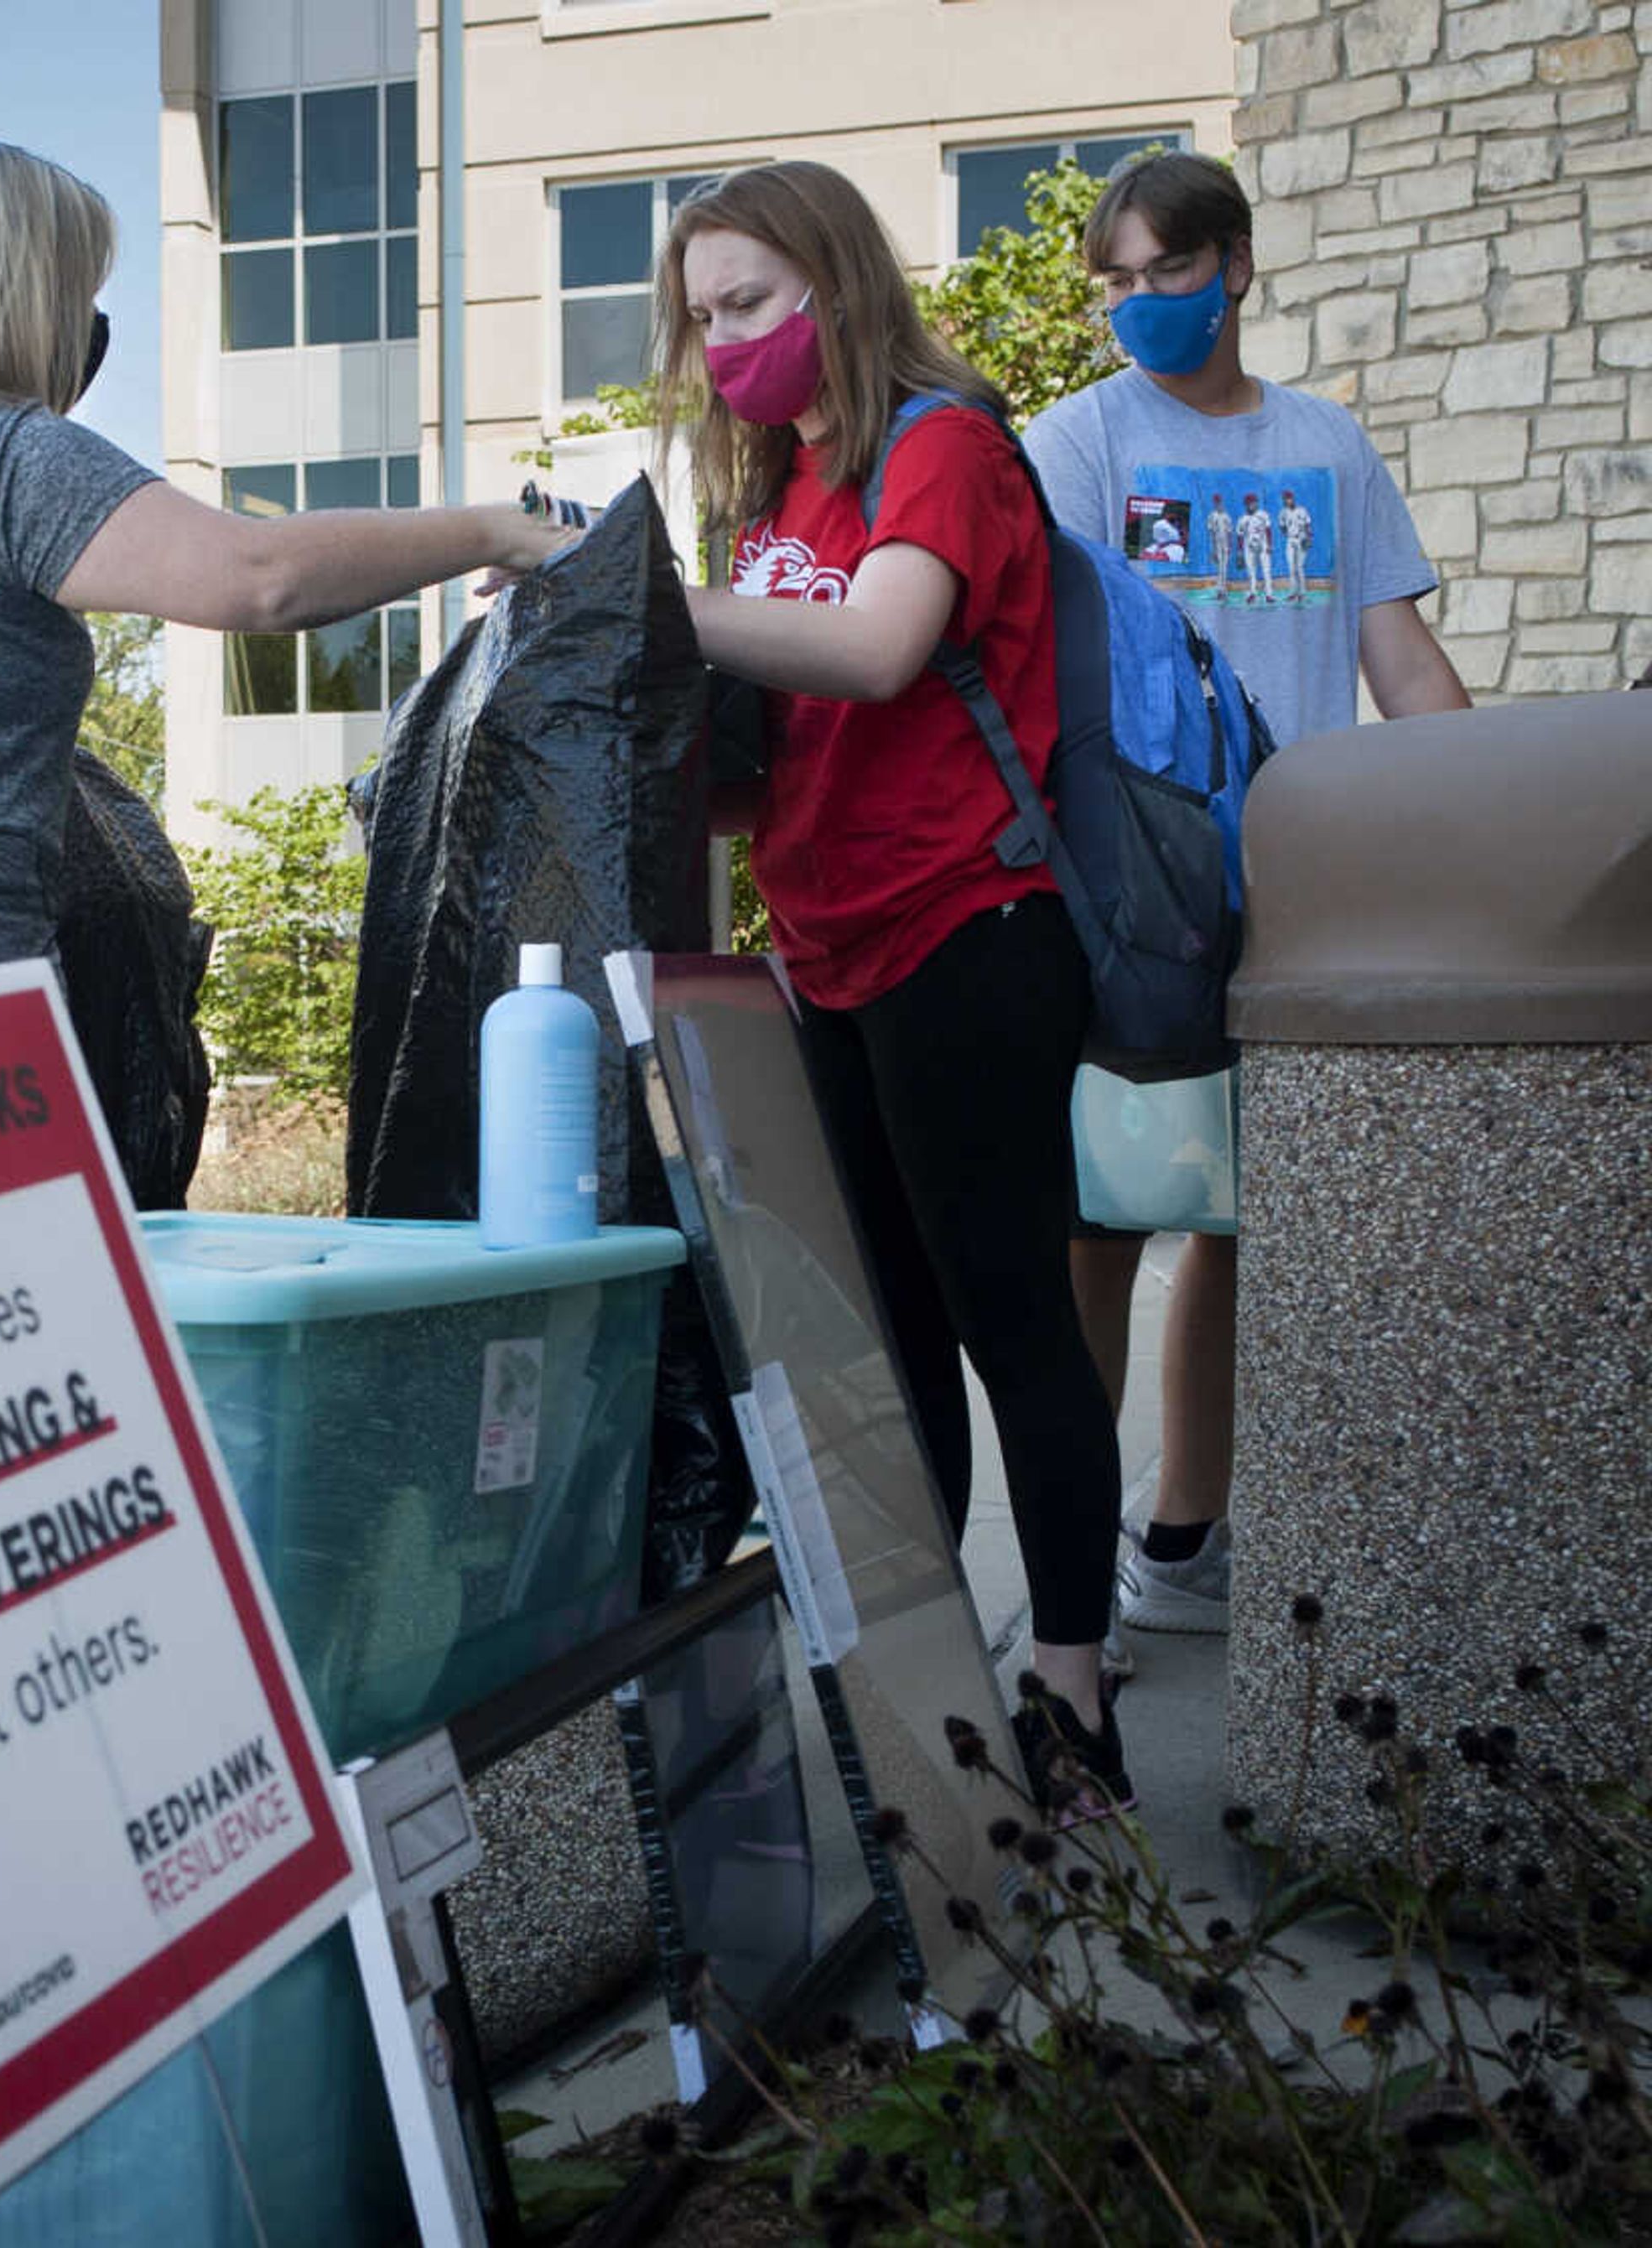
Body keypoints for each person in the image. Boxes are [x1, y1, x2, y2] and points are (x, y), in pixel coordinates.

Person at [0, 138, 571, 1014]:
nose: (89, 323)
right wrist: (499, 528)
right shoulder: (6, 453)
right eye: (82, 289)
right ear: (31, 290)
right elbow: (262, 575)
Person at [654, 160, 1130, 1816]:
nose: (723, 347)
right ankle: (936, 1704)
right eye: (702, 318)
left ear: (840, 293)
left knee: (1014, 1322)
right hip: (828, 953)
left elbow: (874, 649)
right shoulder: (774, 496)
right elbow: (776, 762)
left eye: (750, 307)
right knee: (895, 1347)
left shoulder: (944, 442)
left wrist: (655, 609)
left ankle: (1073, 1699)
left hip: (970, 933)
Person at [1024, 150, 1469, 1678]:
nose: (1141, 306)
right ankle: (1072, 1568)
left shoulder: (1326, 446)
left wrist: (1482, 808)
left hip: (1308, 878)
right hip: (1139, 882)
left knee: (1245, 1221)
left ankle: (1181, 1541)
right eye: (1120, 283)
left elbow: (1403, 668)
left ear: (1237, 265)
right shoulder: (1076, 442)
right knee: (1100, 1220)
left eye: (1168, 274)